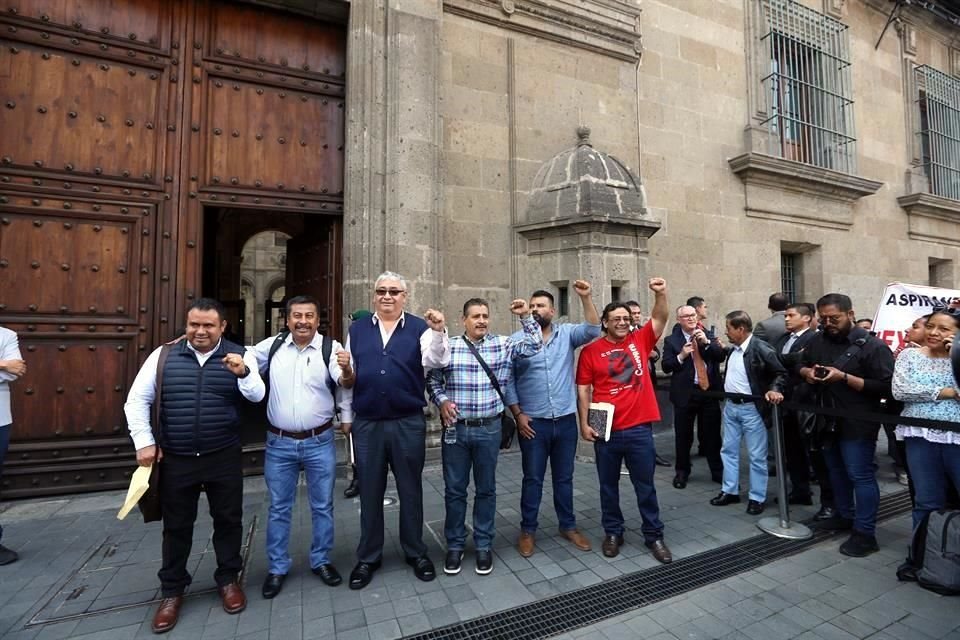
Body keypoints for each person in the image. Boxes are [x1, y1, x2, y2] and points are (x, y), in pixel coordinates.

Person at [124, 298, 265, 634]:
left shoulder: (240, 355)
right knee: (176, 527)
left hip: (223, 455)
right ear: (187, 325)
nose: (200, 331)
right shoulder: (164, 356)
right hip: (177, 458)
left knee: (229, 520)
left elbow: (258, 395)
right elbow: (137, 399)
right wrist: (143, 441)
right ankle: (172, 591)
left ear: (222, 328)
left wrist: (243, 373)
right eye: (194, 325)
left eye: (208, 326)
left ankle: (228, 580)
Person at [344, 271, 450, 590]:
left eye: (394, 291)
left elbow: (437, 360)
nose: (387, 296)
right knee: (371, 490)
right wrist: (347, 414)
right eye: (381, 291)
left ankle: (416, 552)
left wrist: (439, 330)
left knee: (410, 489)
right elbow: (350, 372)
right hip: (368, 423)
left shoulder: (419, 327)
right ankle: (368, 556)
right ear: (373, 295)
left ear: (405, 296)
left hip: (407, 421)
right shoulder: (358, 329)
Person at [427, 297, 541, 575]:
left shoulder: (502, 344)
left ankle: (483, 545)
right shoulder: (449, 347)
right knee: (455, 490)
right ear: (463, 319)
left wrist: (526, 316)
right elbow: (432, 380)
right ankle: (454, 545)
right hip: (456, 430)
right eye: (475, 316)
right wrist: (442, 401)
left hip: (489, 428)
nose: (481, 321)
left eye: (485, 316)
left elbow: (535, 345)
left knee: (486, 490)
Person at [253, 295, 354, 599]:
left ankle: (321, 560)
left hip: (319, 441)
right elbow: (240, 358)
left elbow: (345, 382)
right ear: (287, 319)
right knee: (279, 508)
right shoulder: (270, 348)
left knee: (322, 506)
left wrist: (348, 370)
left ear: (317, 320)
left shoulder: (330, 348)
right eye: (297, 316)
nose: (303, 321)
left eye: (309, 316)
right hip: (279, 444)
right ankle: (277, 567)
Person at [576, 279, 672, 563]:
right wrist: (584, 423)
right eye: (615, 319)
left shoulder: (639, 339)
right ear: (604, 322)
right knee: (608, 486)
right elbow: (583, 389)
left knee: (646, 486)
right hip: (606, 430)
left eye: (626, 319)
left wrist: (660, 293)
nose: (621, 323)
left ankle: (654, 535)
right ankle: (613, 532)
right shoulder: (590, 351)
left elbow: (660, 317)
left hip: (639, 428)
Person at [504, 281, 600, 558]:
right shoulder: (517, 341)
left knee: (564, 478)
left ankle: (567, 526)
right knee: (532, 479)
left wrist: (585, 297)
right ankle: (528, 530)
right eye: (531, 306)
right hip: (534, 423)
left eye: (540, 306)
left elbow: (594, 329)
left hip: (566, 421)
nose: (535, 310)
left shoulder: (568, 334)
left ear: (552, 310)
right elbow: (508, 381)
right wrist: (518, 415)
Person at [799, 293, 895, 557]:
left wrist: (844, 377)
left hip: (858, 422)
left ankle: (865, 533)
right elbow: (800, 363)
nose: (829, 322)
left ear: (850, 315)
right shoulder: (817, 340)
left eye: (835, 318)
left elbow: (888, 387)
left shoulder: (874, 347)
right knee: (835, 472)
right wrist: (807, 372)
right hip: (825, 419)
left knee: (860, 475)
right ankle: (844, 516)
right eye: (824, 318)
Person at [710, 311, 787, 516]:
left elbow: (780, 372)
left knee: (756, 456)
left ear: (740, 329)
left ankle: (757, 497)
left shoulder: (761, 348)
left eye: (729, 328)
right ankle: (730, 490)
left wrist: (775, 389)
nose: (726, 332)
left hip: (753, 408)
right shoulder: (733, 350)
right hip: (731, 407)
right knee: (728, 450)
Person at [892, 306, 960, 531]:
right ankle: (922, 555)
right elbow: (901, 390)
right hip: (920, 437)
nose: (933, 333)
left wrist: (956, 356)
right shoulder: (909, 355)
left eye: (943, 329)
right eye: (930, 326)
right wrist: (948, 392)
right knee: (926, 499)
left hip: (957, 438)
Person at [774, 303, 831, 512]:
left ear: (807, 318)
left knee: (815, 452)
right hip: (786, 401)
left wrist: (789, 361)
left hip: (808, 403)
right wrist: (791, 359)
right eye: (785, 315)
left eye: (791, 315)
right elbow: (775, 361)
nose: (786, 319)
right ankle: (800, 490)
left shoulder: (816, 339)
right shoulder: (783, 339)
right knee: (792, 449)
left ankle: (828, 499)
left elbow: (806, 364)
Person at [661, 305, 724, 488]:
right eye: (686, 316)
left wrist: (706, 343)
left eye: (693, 315)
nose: (691, 318)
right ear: (679, 319)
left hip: (708, 393)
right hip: (685, 395)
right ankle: (682, 472)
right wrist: (681, 356)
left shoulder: (708, 335)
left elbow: (720, 356)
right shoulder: (672, 340)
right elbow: (666, 366)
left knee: (713, 436)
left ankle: (717, 472)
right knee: (683, 437)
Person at [627, 300, 669, 467]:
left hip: (649, 383)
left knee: (647, 421)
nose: (637, 315)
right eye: (633, 313)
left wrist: (653, 355)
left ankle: (650, 454)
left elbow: (655, 352)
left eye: (638, 312)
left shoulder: (643, 331)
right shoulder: (624, 334)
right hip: (632, 386)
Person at [0, 326, 26, 566]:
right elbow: (7, 369)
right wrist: (1, 364)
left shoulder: (6, 335)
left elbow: (15, 371)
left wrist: (7, 367)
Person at [343, 309, 373, 500]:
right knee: (355, 446)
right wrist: (346, 414)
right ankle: (357, 478)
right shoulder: (353, 340)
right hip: (358, 404)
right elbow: (347, 379)